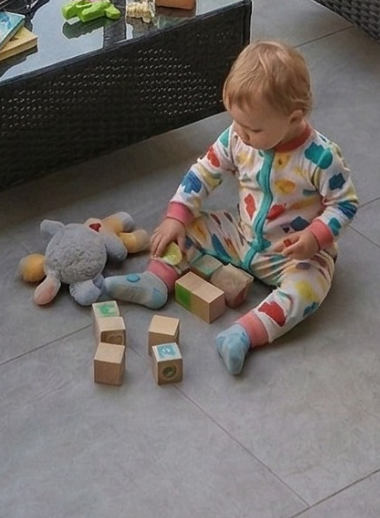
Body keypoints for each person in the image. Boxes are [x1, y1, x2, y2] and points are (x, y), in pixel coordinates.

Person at [105, 40, 358, 375]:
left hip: (293, 254)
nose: (241, 133)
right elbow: (204, 172)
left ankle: (244, 333)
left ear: (294, 118)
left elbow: (345, 204)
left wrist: (315, 237)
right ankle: (156, 280)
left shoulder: (321, 158)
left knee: (308, 289)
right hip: (239, 233)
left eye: (252, 128)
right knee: (190, 229)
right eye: (236, 122)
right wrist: (177, 214)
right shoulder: (237, 136)